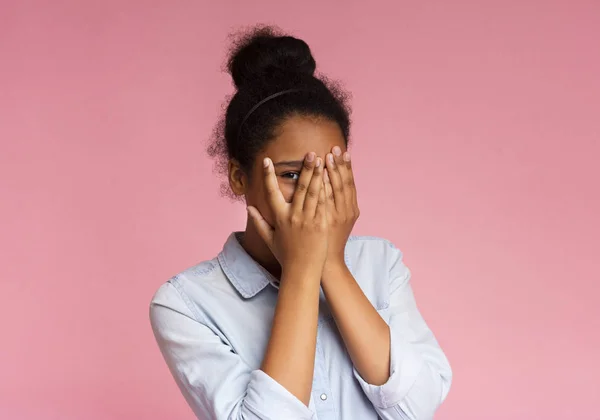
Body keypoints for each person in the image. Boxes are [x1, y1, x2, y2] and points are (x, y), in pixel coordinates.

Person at [149, 26, 452, 420]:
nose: (316, 192)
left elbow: (417, 408)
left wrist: (331, 265)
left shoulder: (382, 263)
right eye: (292, 174)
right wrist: (303, 270)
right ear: (240, 178)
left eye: (331, 172)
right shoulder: (186, 303)